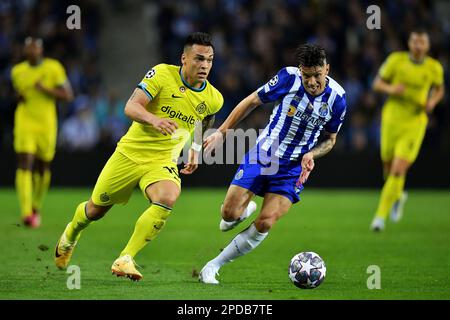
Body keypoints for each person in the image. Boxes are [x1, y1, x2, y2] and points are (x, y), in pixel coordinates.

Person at [54, 32, 223, 281]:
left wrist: (196, 149)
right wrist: (154, 120)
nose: (205, 65)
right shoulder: (162, 73)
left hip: (162, 160)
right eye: (199, 59)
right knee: (95, 210)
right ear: (184, 58)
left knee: (168, 197)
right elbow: (131, 107)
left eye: (209, 60)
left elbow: (206, 120)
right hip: (129, 154)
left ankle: (125, 258)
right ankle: (71, 234)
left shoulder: (213, 98)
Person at [198, 44, 347, 284]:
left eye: (317, 75)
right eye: (306, 75)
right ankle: (242, 210)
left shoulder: (337, 99)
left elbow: (330, 140)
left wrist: (312, 155)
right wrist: (222, 133)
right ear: (300, 71)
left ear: (326, 69)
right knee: (228, 214)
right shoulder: (288, 78)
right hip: (264, 155)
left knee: (266, 221)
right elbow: (251, 101)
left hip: (292, 169)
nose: (311, 81)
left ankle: (213, 265)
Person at [370, 28, 445, 232]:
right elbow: (377, 83)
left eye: (422, 42)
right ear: (409, 43)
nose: (418, 46)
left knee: (398, 169)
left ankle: (379, 217)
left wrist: (433, 101)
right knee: (387, 166)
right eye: (415, 41)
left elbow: (440, 89)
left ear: (427, 46)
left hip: (414, 122)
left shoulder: (434, 68)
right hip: (392, 119)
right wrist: (391, 89)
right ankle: (398, 195)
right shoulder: (396, 60)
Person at [11, 37, 73, 228]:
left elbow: (68, 95)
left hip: (46, 123)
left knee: (42, 166)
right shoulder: (17, 71)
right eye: (28, 48)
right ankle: (26, 212)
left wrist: (44, 89)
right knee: (25, 162)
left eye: (34, 48)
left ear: (40, 50)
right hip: (25, 120)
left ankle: (36, 205)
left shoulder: (53, 68)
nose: (31, 51)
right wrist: (19, 97)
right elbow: (18, 93)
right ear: (25, 50)